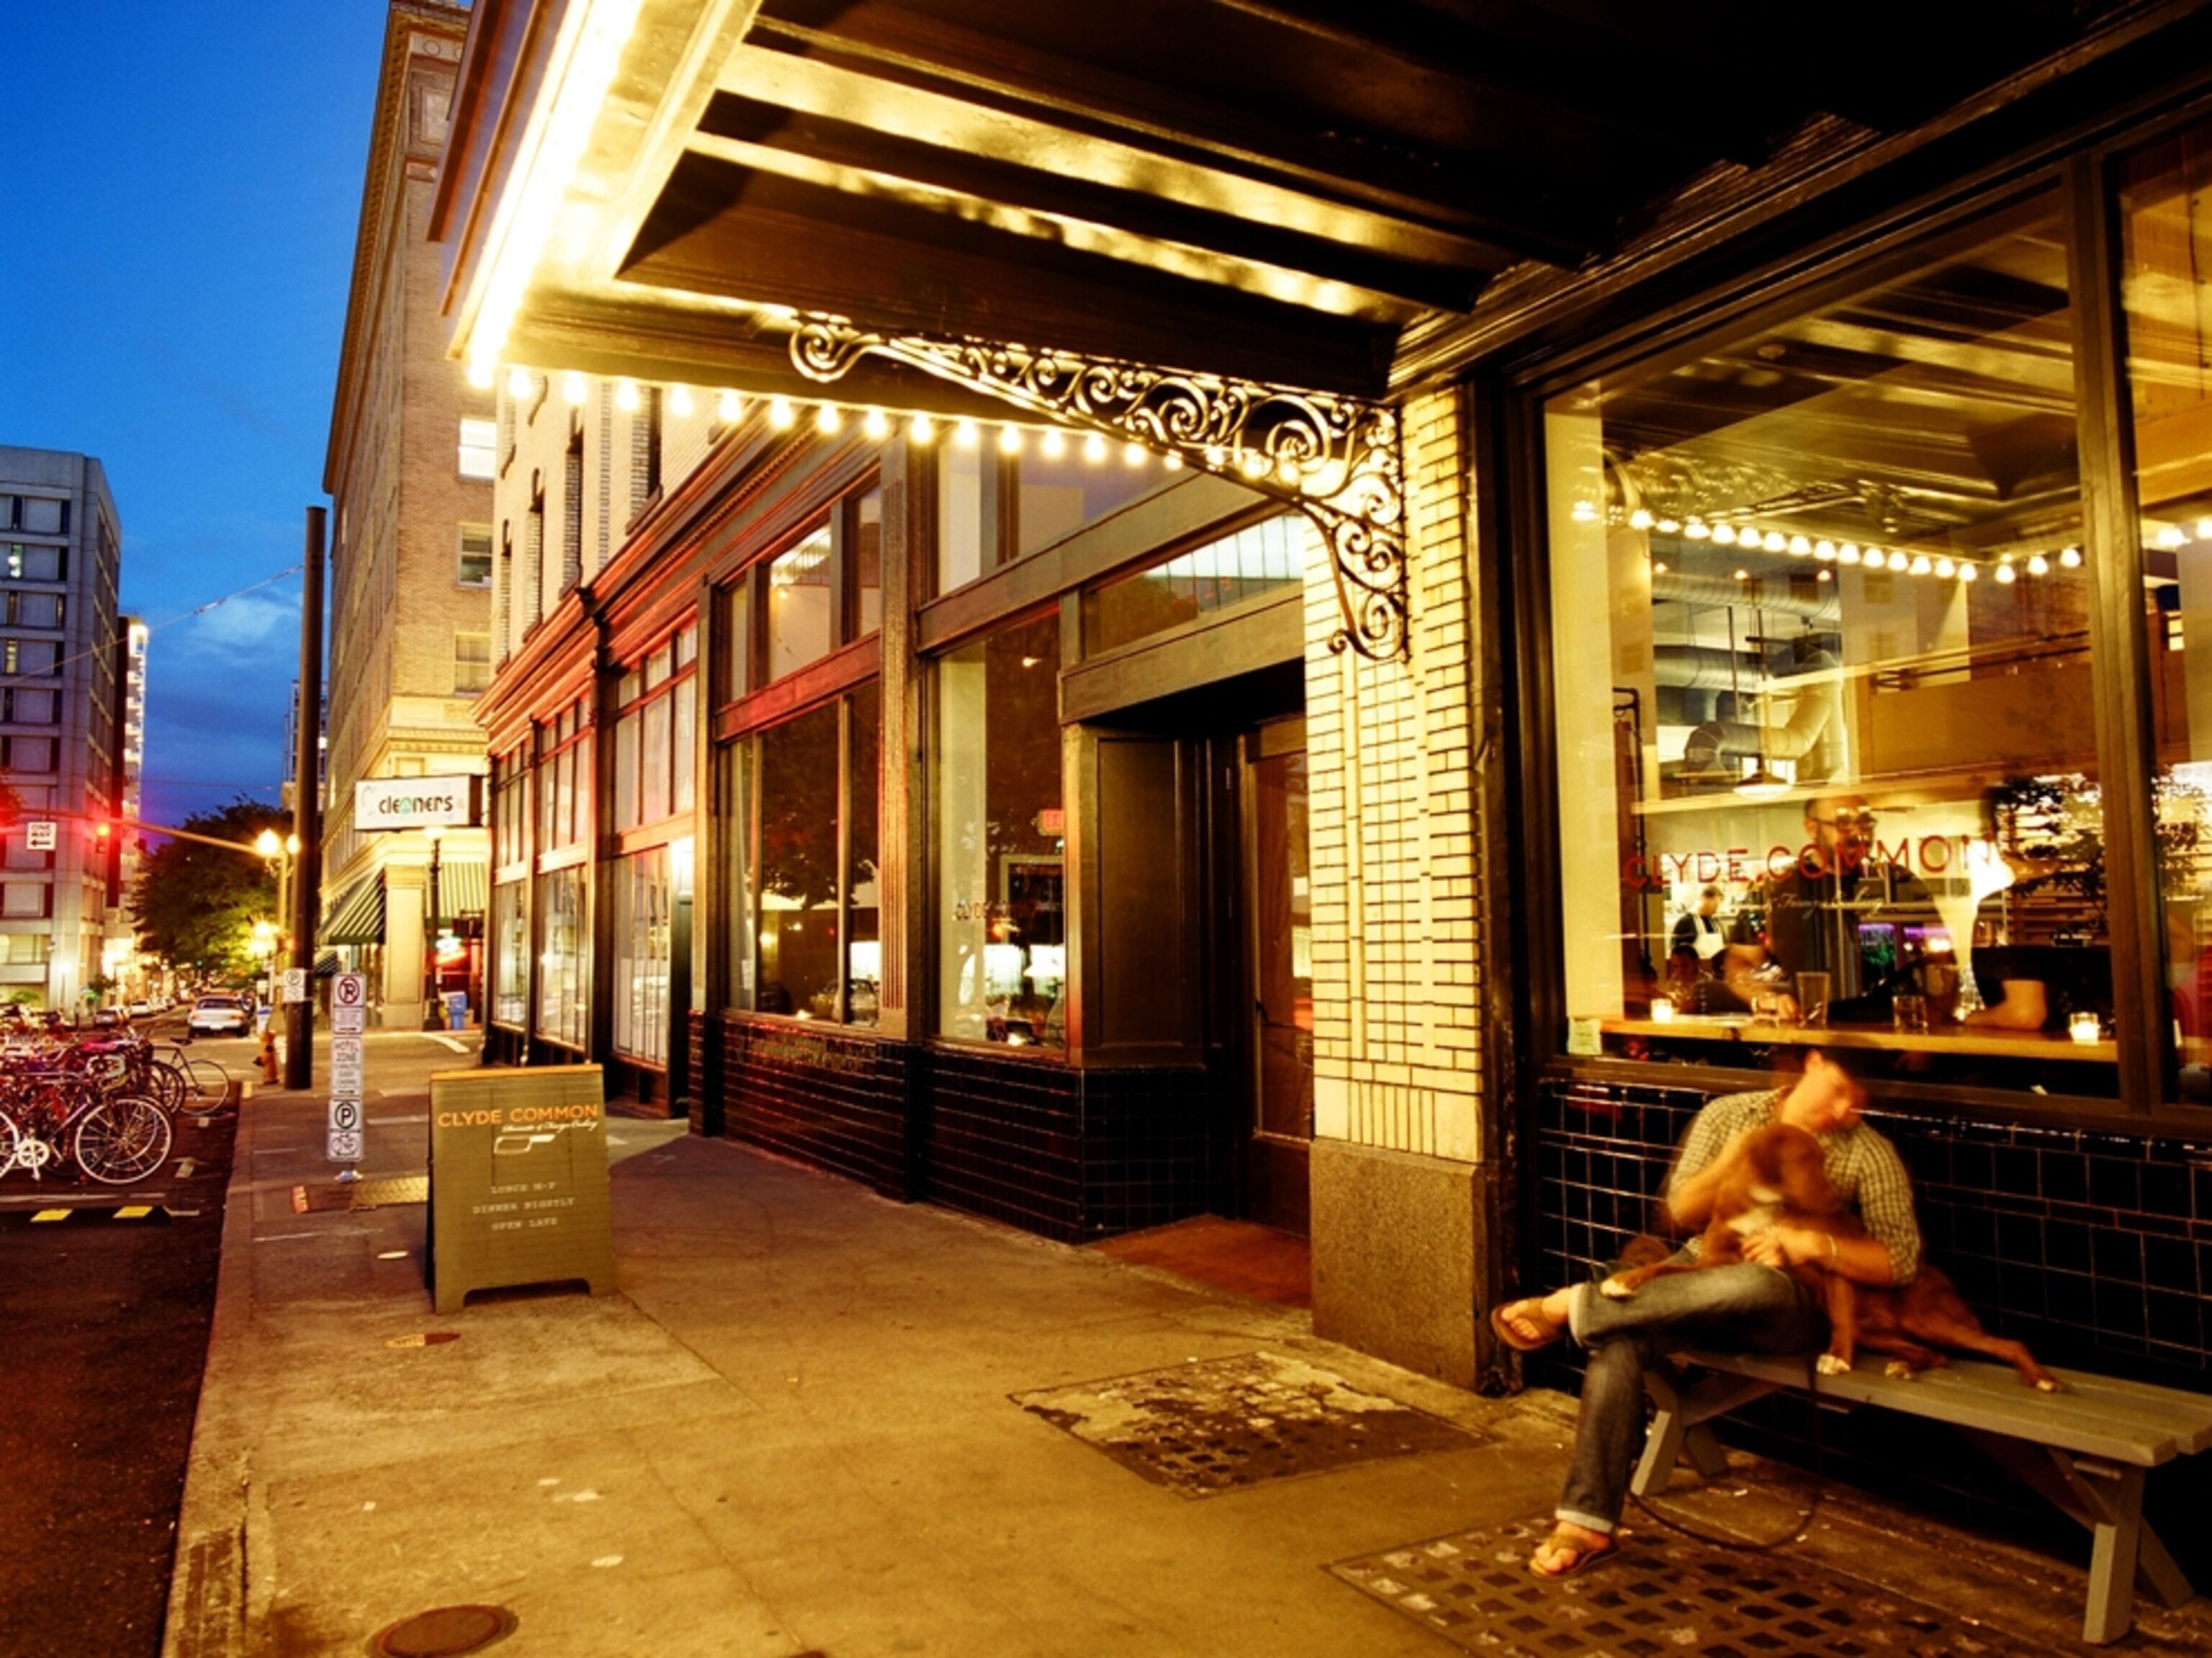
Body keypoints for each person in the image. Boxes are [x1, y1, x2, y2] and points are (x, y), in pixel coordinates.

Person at [1487, 1048, 1921, 1579]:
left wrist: (1814, 1244)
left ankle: (1574, 1304)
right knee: (1621, 1340)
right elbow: (1678, 1214)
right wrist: (1732, 1162)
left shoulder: (1866, 1152)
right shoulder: (1730, 1115)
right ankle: (1587, 1523)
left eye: (1855, 1102)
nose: (1841, 1109)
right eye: (1837, 1087)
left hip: (1783, 1298)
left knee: (1750, 1282)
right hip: (1694, 1273)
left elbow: (1901, 1260)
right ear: (1810, 1064)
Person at [1726, 797, 1937, 1019]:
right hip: (1808, 1030)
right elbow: (1740, 962)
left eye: (1865, 822)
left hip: (1898, 1030)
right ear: (1812, 828)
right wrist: (1766, 998)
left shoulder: (1899, 881)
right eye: (1844, 823)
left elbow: (1943, 965)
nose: (1858, 833)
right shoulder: (1776, 887)